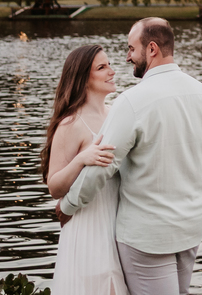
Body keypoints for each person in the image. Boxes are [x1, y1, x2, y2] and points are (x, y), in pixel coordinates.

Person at [61, 17, 202, 295]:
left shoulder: (131, 101)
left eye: (131, 48)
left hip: (146, 237)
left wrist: (68, 205)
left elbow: (104, 163)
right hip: (190, 227)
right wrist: (200, 199)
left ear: (151, 49)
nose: (127, 57)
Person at [41, 43, 128, 295]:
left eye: (109, 65)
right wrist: (81, 159)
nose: (111, 71)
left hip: (118, 226)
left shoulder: (115, 115)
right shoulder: (71, 122)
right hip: (88, 229)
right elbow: (54, 187)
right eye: (102, 67)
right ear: (83, 79)